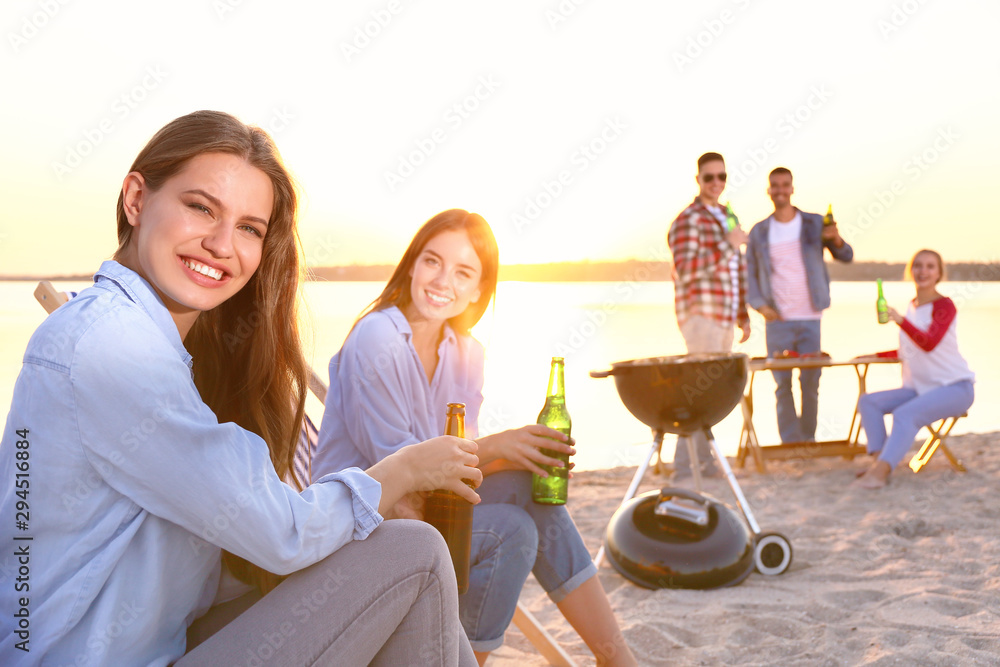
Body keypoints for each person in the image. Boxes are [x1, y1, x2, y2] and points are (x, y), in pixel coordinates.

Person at [0, 111, 481, 666]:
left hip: (154, 646)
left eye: (250, 228)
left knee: (390, 576)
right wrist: (404, 471)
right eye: (200, 207)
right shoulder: (112, 345)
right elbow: (282, 534)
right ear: (136, 199)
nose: (222, 244)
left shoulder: (148, 347)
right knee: (414, 554)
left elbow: (188, 567)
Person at [313, 209, 636, 666]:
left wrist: (521, 455)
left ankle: (616, 658)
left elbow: (458, 473)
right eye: (432, 261)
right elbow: (402, 471)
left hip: (428, 508)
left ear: (479, 291)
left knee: (531, 492)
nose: (443, 280)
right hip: (366, 518)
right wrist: (498, 448)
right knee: (512, 533)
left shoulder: (466, 353)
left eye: (463, 272)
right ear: (412, 265)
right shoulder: (376, 339)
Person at [745, 167, 854, 443]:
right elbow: (750, 276)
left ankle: (808, 440)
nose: (780, 190)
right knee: (782, 385)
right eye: (775, 186)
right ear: (768, 191)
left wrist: (836, 239)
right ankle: (790, 443)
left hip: (810, 316)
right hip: (777, 320)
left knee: (810, 383)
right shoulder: (759, 232)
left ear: (792, 189)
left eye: (785, 185)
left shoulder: (814, 224)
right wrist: (760, 307)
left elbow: (846, 255)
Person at [855, 249, 975, 489]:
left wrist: (900, 320)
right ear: (911, 270)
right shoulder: (912, 306)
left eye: (930, 266)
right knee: (868, 402)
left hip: (955, 388)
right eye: (918, 266)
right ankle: (880, 461)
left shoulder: (945, 306)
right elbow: (911, 348)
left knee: (904, 415)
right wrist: (877, 355)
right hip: (921, 388)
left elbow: (929, 343)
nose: (923, 271)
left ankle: (880, 473)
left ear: (939, 273)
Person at [667, 152, 750, 480]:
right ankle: (685, 465)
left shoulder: (727, 216)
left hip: (725, 316)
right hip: (700, 316)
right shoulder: (689, 220)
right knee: (698, 390)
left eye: (722, 177)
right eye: (709, 177)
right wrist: (728, 246)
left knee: (711, 393)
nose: (716, 183)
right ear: (698, 180)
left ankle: (705, 462)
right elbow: (686, 272)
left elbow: (735, 269)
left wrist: (743, 313)